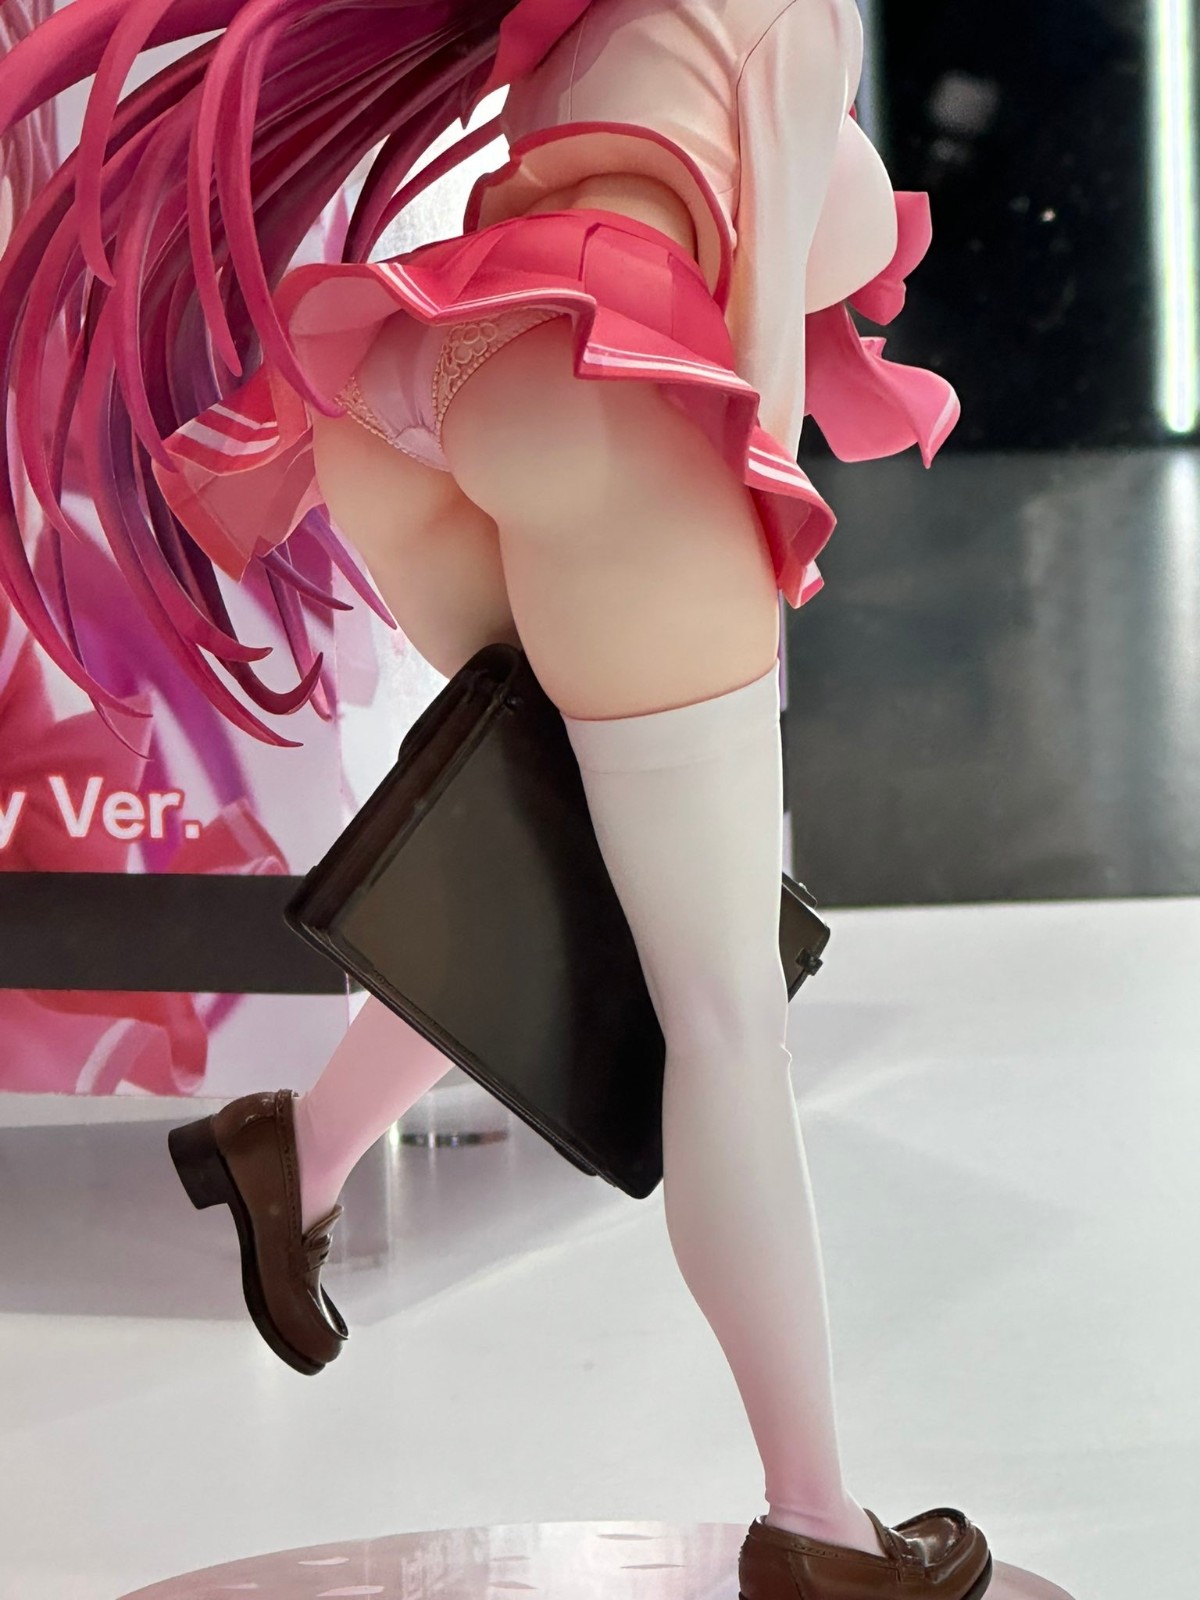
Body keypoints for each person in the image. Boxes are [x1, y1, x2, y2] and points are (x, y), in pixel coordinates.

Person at [0, 1, 989, 1595]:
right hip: (613, 400)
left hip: (427, 385)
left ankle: (300, 1154)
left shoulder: (566, 20)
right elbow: (778, 325)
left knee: (552, 835)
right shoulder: (789, 16)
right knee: (723, 1011)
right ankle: (816, 1525)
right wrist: (751, 561)